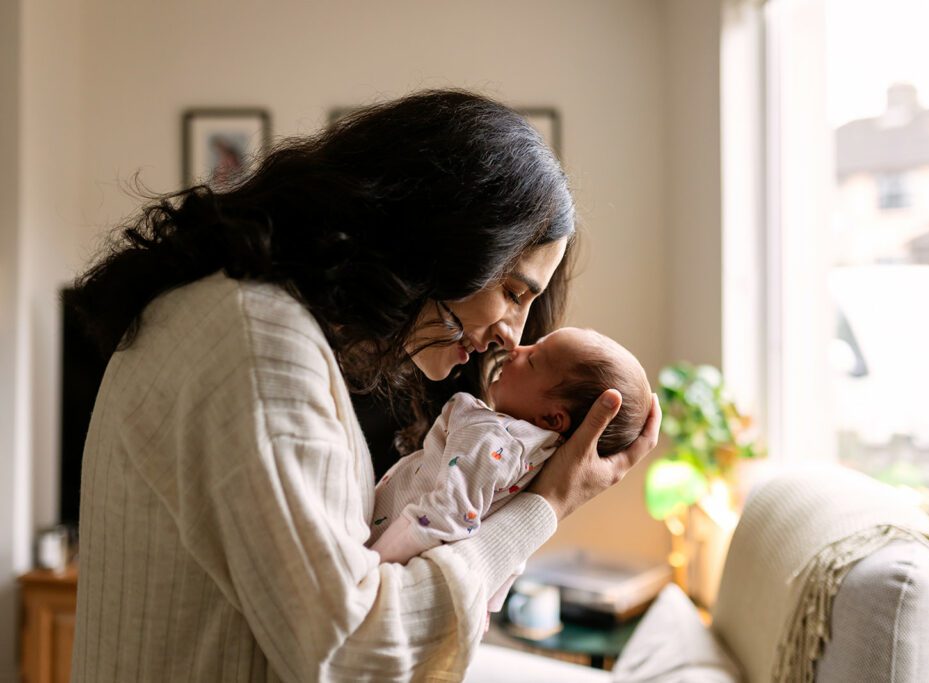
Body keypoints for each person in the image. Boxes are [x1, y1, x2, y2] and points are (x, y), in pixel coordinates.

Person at [65, 89, 660, 682]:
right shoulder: (259, 345)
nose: (512, 335)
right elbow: (350, 651)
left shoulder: (255, 323)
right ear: (441, 238)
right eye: (512, 292)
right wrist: (544, 506)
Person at [370, 326, 652, 623]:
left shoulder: (493, 440)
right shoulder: (537, 463)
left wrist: (374, 564)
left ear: (551, 418)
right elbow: (511, 557)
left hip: (382, 553)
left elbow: (440, 517)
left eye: (532, 360)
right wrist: (486, 606)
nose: (517, 348)